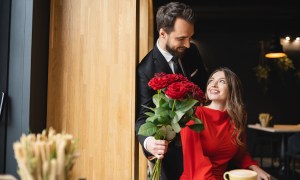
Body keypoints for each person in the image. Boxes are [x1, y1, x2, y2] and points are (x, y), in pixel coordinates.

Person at [135, 2, 208, 180]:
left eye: (190, 38)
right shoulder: (145, 70)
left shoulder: (192, 52)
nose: (188, 44)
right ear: (162, 33)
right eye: (182, 38)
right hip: (171, 155)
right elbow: (142, 117)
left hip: (201, 145)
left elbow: (204, 88)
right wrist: (150, 143)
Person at [180, 67, 271, 180]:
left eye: (222, 81)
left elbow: (240, 154)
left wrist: (255, 168)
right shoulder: (193, 114)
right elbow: (196, 164)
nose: (213, 84)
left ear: (232, 89)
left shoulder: (237, 118)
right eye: (211, 81)